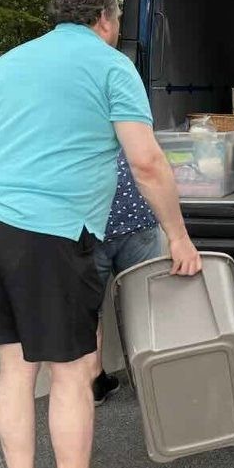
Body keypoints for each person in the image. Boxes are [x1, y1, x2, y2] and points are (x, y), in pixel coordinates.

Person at [0, 0, 201, 468]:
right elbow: (146, 163)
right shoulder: (111, 67)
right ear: (107, 20)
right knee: (69, 373)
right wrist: (177, 235)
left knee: (15, 369)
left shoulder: (4, 66)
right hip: (48, 233)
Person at [90, 150, 165, 406]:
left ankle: (93, 382)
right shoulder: (125, 107)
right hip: (135, 212)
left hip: (85, 221)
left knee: (87, 311)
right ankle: (153, 377)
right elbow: (147, 161)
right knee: (145, 304)